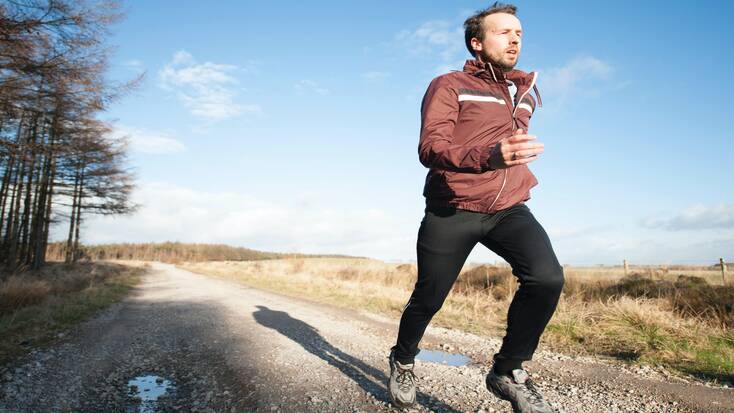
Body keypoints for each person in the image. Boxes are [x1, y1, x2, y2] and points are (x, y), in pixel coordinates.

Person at [387, 3, 564, 412]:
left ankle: (508, 370)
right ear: (477, 42)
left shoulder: (526, 92)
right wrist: (490, 155)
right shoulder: (448, 85)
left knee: (547, 277)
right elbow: (430, 147)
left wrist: (507, 161)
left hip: (508, 206)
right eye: (503, 32)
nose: (515, 38)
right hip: (454, 206)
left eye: (519, 32)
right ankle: (403, 356)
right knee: (429, 296)